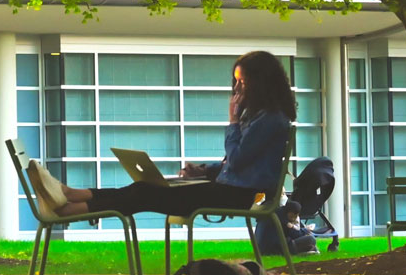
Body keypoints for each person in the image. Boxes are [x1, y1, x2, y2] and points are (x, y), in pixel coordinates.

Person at [29, 50, 295, 222]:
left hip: (241, 196)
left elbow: (238, 162)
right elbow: (237, 164)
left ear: (260, 83)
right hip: (229, 189)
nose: (236, 89)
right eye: (235, 81)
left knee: (144, 192)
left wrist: (232, 122)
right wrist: (202, 171)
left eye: (242, 83)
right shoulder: (259, 116)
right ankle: (71, 195)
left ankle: (67, 206)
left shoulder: (270, 119)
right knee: (143, 188)